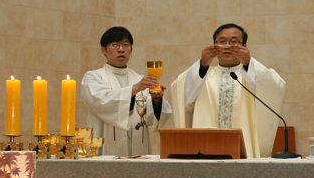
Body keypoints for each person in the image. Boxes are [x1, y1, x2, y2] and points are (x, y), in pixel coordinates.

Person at [170, 23, 286, 161]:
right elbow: (183, 98)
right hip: (206, 150)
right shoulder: (202, 75)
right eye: (222, 41)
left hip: (244, 151)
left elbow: (273, 89)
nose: (227, 46)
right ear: (214, 45)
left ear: (244, 46)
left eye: (234, 41)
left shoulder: (251, 75)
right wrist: (202, 65)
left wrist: (248, 63)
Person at [80, 27, 171, 157]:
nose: (121, 49)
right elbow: (102, 103)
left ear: (131, 50)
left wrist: (157, 100)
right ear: (103, 50)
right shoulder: (93, 77)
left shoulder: (139, 79)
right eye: (115, 45)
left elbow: (152, 119)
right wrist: (135, 89)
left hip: (138, 150)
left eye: (126, 45)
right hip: (106, 150)